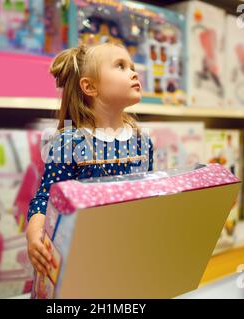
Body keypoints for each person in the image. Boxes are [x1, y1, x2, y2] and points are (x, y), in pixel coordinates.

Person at [26, 43, 154, 276]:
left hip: (127, 254)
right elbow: (47, 196)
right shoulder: (69, 142)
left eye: (132, 66)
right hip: (81, 257)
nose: (134, 72)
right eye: (121, 66)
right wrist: (34, 233)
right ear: (90, 86)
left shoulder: (141, 141)